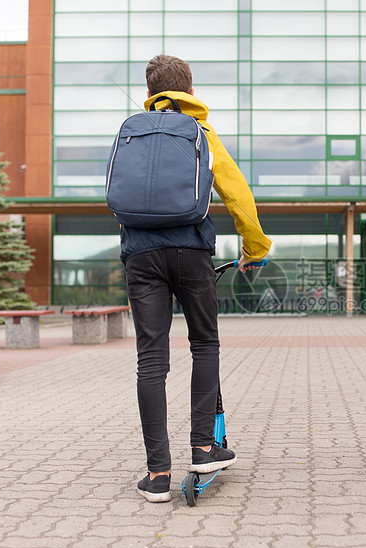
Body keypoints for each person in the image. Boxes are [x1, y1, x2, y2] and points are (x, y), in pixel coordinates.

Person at [124, 54, 272, 502]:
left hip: (141, 255)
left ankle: (158, 475)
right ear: (189, 89)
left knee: (151, 359)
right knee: (204, 343)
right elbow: (237, 193)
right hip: (191, 252)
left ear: (150, 93)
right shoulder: (201, 132)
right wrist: (255, 249)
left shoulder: (133, 132)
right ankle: (204, 448)